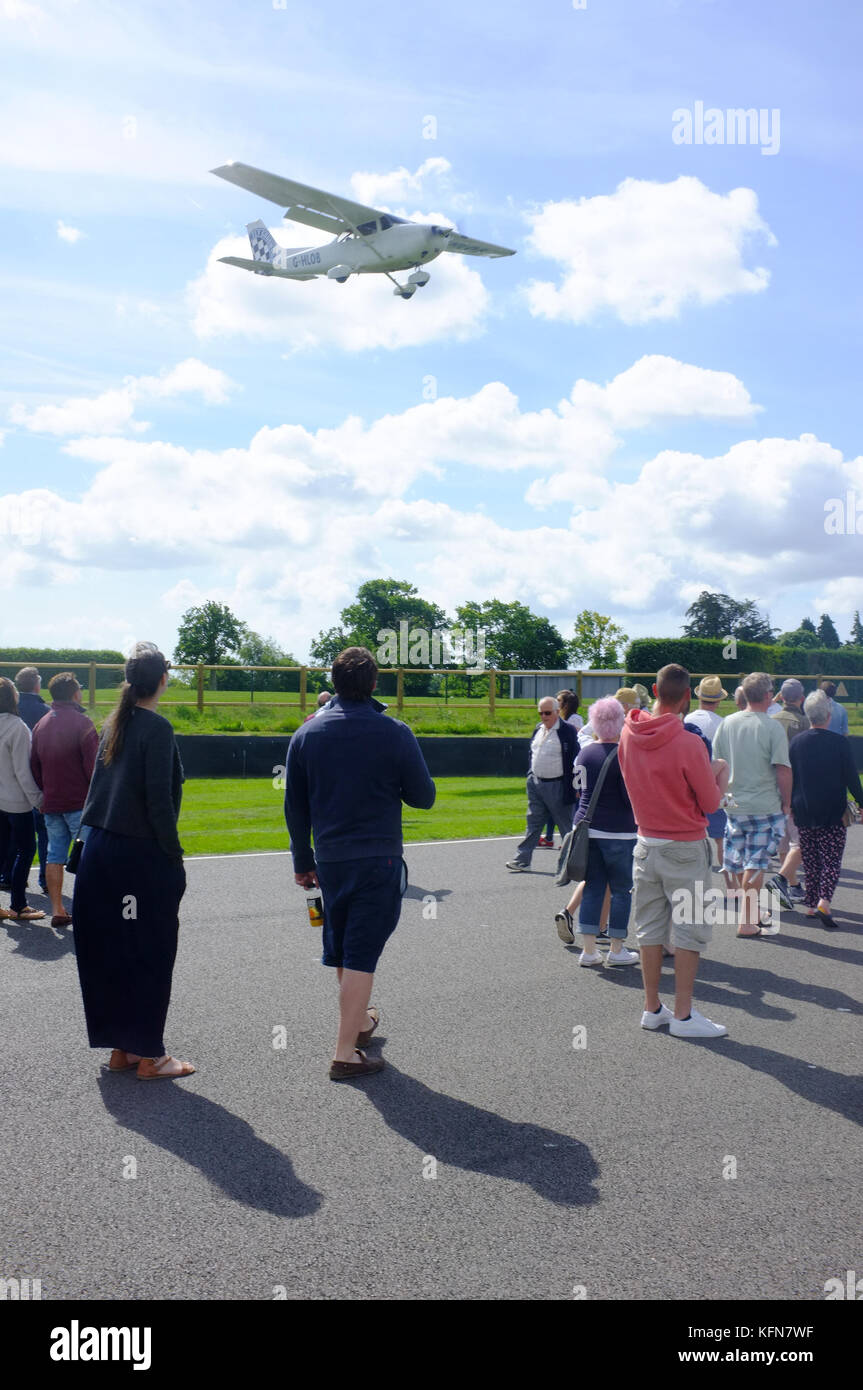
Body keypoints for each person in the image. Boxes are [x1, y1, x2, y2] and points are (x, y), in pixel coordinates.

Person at [285, 646, 435, 1080]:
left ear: (333, 683)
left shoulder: (306, 734)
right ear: (373, 684)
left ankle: (362, 1023)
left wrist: (302, 859)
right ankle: (344, 1053)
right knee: (362, 955)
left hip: (330, 858)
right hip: (378, 857)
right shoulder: (394, 731)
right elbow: (423, 798)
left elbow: (295, 807)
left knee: (346, 947)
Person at [73, 642, 194, 1080]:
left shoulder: (113, 724)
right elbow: (159, 803)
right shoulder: (156, 728)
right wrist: (174, 857)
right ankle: (151, 1056)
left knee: (113, 951)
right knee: (150, 950)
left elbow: (95, 795)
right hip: (138, 855)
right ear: (163, 679)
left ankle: (121, 1047)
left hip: (99, 852)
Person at [618, 663, 728, 1039]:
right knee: (689, 930)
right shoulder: (688, 742)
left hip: (646, 841)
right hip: (684, 844)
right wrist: (718, 771)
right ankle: (683, 1014)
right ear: (687, 697)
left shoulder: (627, 734)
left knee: (649, 928)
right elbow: (711, 803)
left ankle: (652, 1007)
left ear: (654, 689)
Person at [554, 697, 639, 967]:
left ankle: (589, 951)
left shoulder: (585, 752)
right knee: (621, 890)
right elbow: (629, 798)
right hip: (620, 831)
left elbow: (579, 790)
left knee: (592, 887)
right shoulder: (626, 754)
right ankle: (616, 948)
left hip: (588, 827)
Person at [712, 672, 792, 937]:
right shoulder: (771, 727)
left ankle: (753, 912)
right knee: (755, 865)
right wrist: (787, 803)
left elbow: (717, 765)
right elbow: (782, 769)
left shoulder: (727, 724)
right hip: (763, 805)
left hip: (733, 804)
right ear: (768, 696)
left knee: (743, 860)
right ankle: (747, 921)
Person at [29, 672, 99, 929]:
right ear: (74, 693)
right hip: (80, 802)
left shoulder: (41, 724)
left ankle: (58, 908)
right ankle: (89, 908)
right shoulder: (83, 723)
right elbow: (93, 769)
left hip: (52, 801)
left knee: (54, 855)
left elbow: (34, 766)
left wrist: (45, 791)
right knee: (89, 857)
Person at [789, 690, 863, 929]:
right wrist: (861, 802)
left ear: (807, 715)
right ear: (828, 716)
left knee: (810, 860)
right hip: (832, 808)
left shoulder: (796, 743)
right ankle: (824, 901)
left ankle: (811, 904)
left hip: (803, 807)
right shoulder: (840, 743)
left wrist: (789, 804)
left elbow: (792, 777)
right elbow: (852, 778)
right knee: (831, 860)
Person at [506, 696, 577, 871]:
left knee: (566, 827)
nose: (543, 717)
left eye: (547, 713)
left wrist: (575, 787)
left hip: (558, 785)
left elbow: (577, 759)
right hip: (536, 783)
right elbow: (532, 753)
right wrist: (531, 775)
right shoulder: (538, 729)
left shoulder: (568, 731)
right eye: (540, 713)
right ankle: (522, 860)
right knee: (533, 822)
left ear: (557, 712)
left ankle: (574, 864)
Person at [0, 677, 45, 922]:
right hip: (17, 802)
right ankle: (18, 905)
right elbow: (22, 771)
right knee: (26, 850)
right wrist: (38, 799)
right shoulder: (17, 727)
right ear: (11, 697)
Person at [767, 680, 810, 908]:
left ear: (781, 697)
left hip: (771, 787)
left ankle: (791, 885)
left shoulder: (770, 722)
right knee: (801, 842)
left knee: (784, 842)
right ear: (800, 698)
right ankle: (784, 881)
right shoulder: (804, 723)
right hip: (796, 788)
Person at [686, 677, 729, 872]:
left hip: (688, 782)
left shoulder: (688, 720)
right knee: (721, 836)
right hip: (715, 783)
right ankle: (730, 881)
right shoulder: (724, 723)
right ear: (718, 700)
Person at [540, 690, 582, 846]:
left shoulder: (575, 720)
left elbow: (573, 744)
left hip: (570, 767)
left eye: (559, 700)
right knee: (552, 804)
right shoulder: (559, 720)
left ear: (566, 704)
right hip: (557, 766)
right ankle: (549, 836)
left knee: (568, 806)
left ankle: (570, 840)